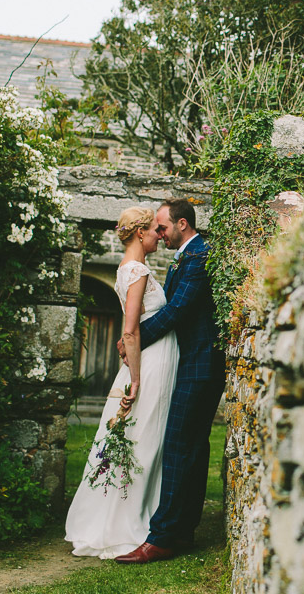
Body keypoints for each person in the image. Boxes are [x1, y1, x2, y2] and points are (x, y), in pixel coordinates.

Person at [114, 198, 226, 564]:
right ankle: (182, 531)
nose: (158, 235)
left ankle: (162, 538)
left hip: (200, 364)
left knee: (179, 445)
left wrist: (134, 337)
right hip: (189, 362)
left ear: (182, 224)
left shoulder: (198, 256)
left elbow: (177, 311)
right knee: (190, 447)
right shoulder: (187, 256)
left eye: (162, 228)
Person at [66, 206, 179, 559]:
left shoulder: (126, 269)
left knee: (140, 436)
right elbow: (130, 330)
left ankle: (135, 513)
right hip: (151, 363)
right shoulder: (138, 270)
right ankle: (124, 523)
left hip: (151, 359)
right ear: (139, 234)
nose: (160, 236)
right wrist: (135, 378)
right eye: (154, 232)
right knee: (143, 437)